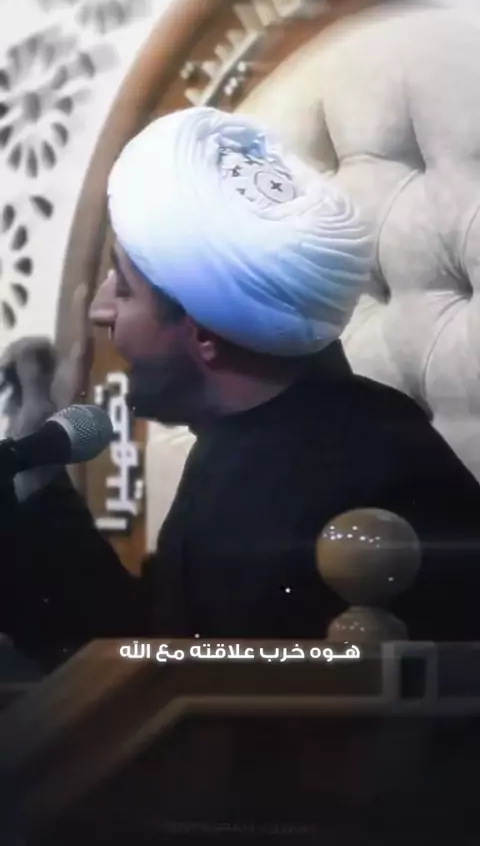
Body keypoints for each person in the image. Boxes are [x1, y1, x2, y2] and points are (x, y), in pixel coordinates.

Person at [2, 106, 480, 672]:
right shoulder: (249, 442)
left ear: (205, 335)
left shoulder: (372, 474)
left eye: (124, 289)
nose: (100, 309)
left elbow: (199, 698)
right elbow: (155, 653)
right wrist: (37, 477)